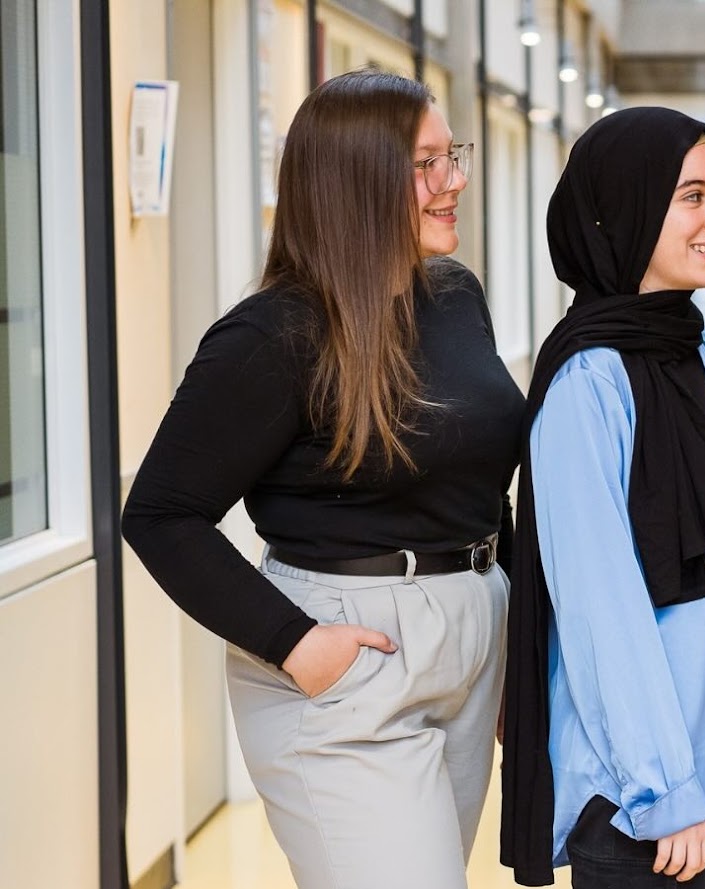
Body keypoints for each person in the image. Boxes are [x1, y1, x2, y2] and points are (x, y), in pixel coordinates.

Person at [122, 69, 520, 888]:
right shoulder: (274, 334)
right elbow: (161, 513)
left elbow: (483, 480)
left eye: (456, 156)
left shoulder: (453, 294)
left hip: (475, 633)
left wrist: (509, 633)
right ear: (355, 180)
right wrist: (296, 644)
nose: (456, 182)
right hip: (347, 655)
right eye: (427, 163)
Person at [499, 107, 705, 889]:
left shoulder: (704, 350)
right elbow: (599, 610)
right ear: (626, 210)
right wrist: (664, 789)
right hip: (644, 798)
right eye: (693, 196)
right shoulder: (586, 384)